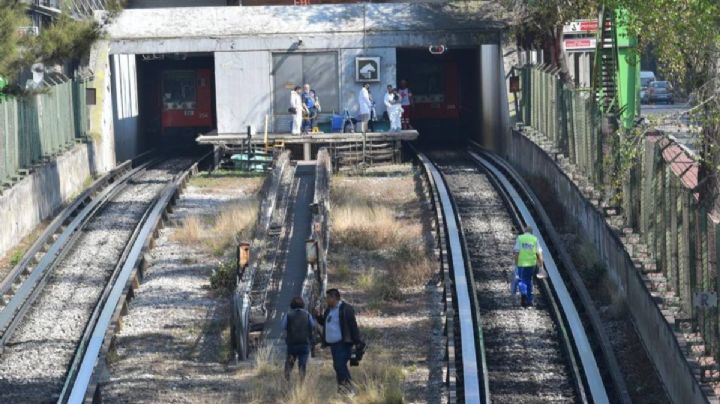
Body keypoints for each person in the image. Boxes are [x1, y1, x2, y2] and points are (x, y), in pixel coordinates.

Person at [317, 288, 362, 393]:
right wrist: (318, 316)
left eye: (328, 298)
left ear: (334, 297)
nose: (326, 300)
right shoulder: (329, 310)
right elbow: (325, 322)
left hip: (343, 343)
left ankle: (349, 389)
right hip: (333, 345)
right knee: (338, 366)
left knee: (339, 365)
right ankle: (342, 389)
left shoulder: (346, 309)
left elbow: (353, 326)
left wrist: (357, 342)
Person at [280, 296, 317, 380]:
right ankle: (301, 382)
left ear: (291, 305)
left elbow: (283, 326)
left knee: (289, 363)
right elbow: (312, 326)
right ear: (303, 305)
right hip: (304, 343)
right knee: (302, 364)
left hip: (292, 344)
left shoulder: (288, 315)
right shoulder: (307, 314)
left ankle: (287, 378)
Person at [512, 226, 544, 307]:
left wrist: (516, 263)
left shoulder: (520, 238)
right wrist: (541, 266)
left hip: (521, 263)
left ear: (525, 231)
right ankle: (529, 300)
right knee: (528, 280)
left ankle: (523, 293)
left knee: (520, 279)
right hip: (531, 264)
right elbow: (539, 253)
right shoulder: (534, 239)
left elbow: (516, 252)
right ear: (531, 232)